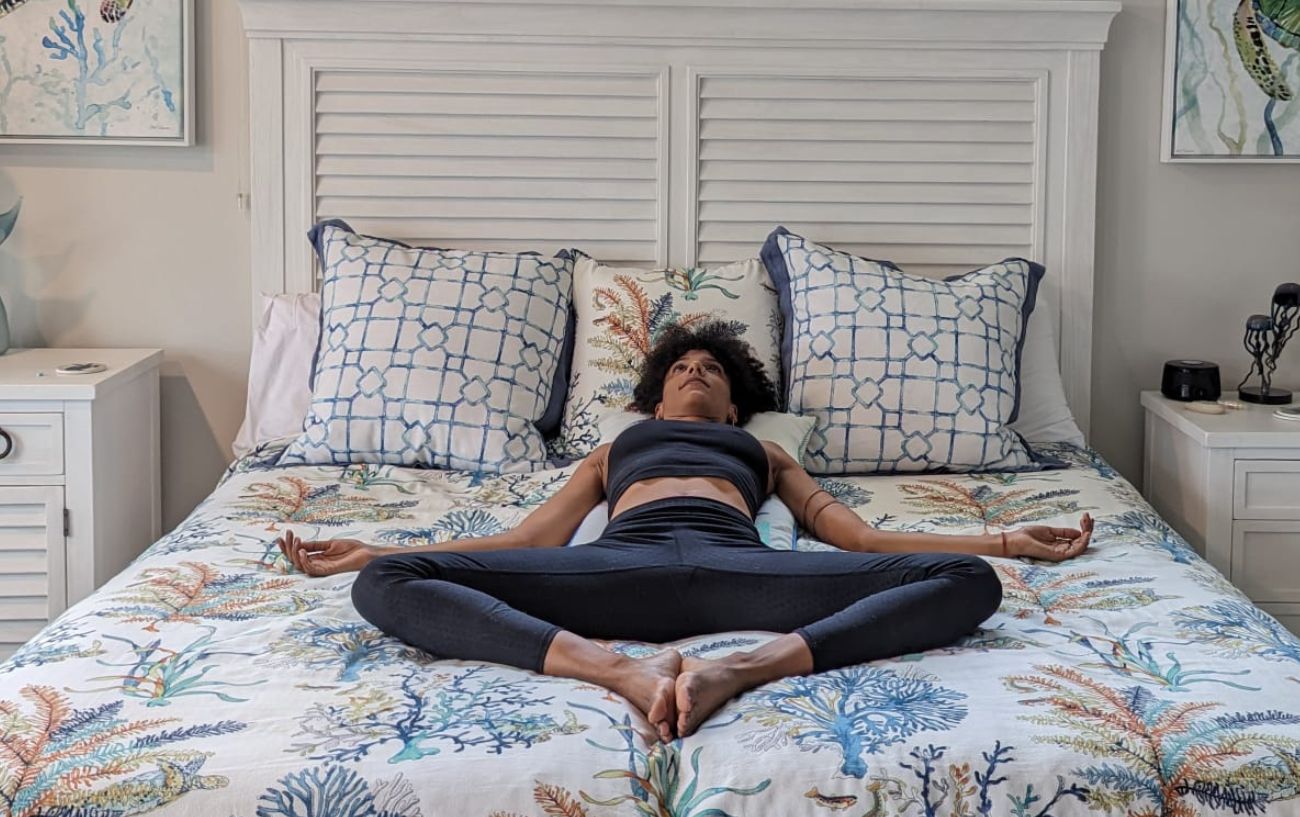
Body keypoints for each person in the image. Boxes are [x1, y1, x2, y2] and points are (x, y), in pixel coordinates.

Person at [277, 323, 1093, 743]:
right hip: (614, 567)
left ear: (734, 403)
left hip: (744, 568)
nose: (695, 371)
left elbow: (865, 544)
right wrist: (376, 552)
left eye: (711, 368)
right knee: (383, 587)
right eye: (679, 367)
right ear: (655, 399)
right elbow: (530, 541)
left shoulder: (763, 450)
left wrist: (1009, 542)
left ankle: (740, 667)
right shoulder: (615, 446)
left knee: (968, 586)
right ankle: (621, 672)